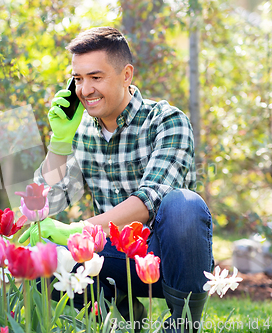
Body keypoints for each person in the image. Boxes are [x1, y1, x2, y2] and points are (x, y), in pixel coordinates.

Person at [20, 27, 213, 333]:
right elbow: (43, 204)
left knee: (185, 204)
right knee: (38, 247)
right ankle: (119, 316)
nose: (85, 90)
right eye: (78, 79)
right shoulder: (81, 132)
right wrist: (59, 142)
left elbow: (151, 197)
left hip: (165, 258)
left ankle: (183, 324)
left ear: (126, 75)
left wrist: (78, 230)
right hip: (112, 257)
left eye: (95, 77)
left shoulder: (166, 120)